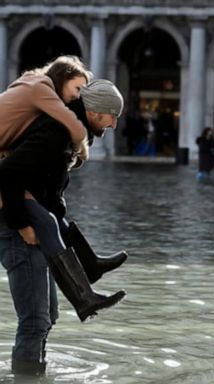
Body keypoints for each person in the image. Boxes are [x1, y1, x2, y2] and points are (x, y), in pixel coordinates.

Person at [0, 79, 127, 375]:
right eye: (113, 117)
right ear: (95, 112)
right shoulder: (56, 132)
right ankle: (27, 376)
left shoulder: (70, 132)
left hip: (33, 220)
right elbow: (7, 175)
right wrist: (22, 226)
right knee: (34, 319)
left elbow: (46, 188)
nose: (114, 125)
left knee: (49, 316)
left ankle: (34, 372)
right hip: (17, 225)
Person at [0, 55, 91, 162]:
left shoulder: (31, 83)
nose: (78, 96)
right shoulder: (39, 88)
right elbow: (76, 128)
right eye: (78, 89)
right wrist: (83, 153)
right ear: (63, 78)